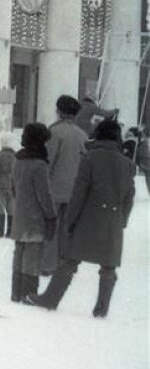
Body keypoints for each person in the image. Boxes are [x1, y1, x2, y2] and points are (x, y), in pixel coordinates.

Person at [25, 120, 135, 318]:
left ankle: (50, 299)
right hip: (113, 220)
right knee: (108, 267)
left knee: (69, 261)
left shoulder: (90, 158)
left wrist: (70, 220)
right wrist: (122, 221)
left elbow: (79, 193)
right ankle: (101, 309)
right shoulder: (128, 164)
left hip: (87, 219)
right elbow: (129, 198)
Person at [39, 95, 87, 275]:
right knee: (67, 229)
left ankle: (47, 264)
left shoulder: (54, 133)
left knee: (50, 227)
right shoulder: (82, 135)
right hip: (75, 192)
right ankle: (65, 264)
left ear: (58, 111)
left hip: (54, 190)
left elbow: (47, 162)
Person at [10, 122, 56, 303]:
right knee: (32, 255)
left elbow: (13, 187)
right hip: (35, 217)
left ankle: (15, 290)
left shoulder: (18, 160)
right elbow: (44, 194)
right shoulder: (39, 164)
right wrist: (51, 215)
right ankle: (28, 292)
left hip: (20, 213)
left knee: (19, 252)